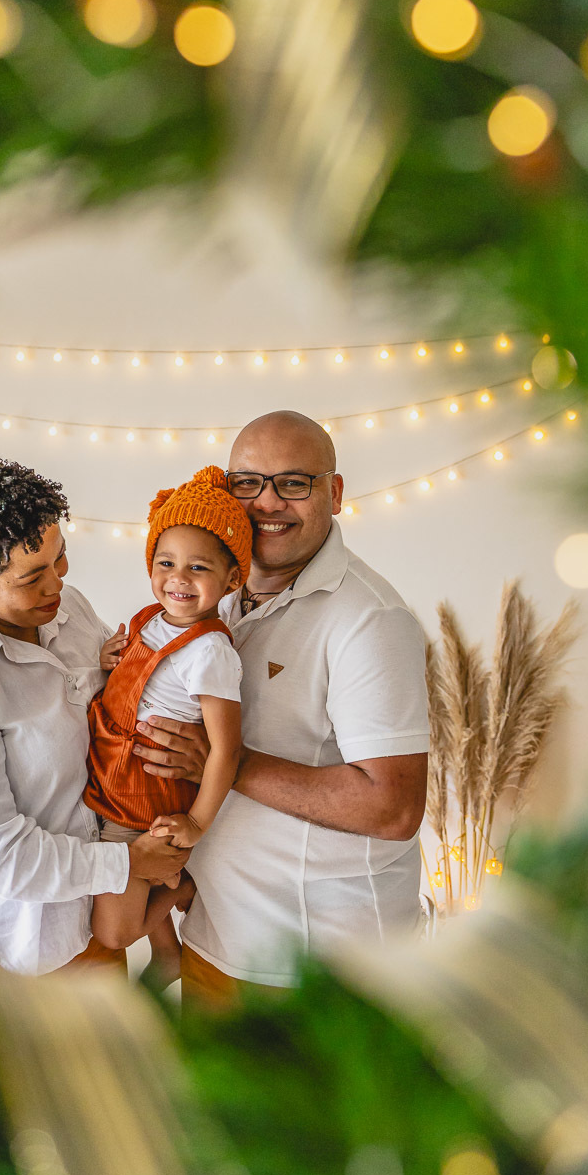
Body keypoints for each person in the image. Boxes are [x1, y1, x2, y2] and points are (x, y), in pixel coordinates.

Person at [136, 412, 430, 1005]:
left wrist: (225, 762)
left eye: (294, 483)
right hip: (215, 938)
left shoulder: (369, 620)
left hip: (320, 968)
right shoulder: (214, 592)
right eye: (247, 483)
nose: (267, 502)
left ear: (334, 493)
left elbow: (393, 807)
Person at [0, 452, 187, 976]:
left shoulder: (68, 608)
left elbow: (123, 705)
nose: (56, 583)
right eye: (32, 577)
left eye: (61, 557)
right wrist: (128, 862)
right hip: (16, 948)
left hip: (95, 918)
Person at [84, 466, 252, 987]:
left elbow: (225, 749)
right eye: (166, 563)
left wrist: (196, 824)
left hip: (146, 799)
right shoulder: (148, 620)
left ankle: (182, 886)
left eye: (198, 567)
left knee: (112, 932)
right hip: (109, 779)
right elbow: (138, 680)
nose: (178, 578)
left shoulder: (211, 652)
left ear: (232, 579)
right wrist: (112, 659)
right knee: (128, 886)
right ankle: (167, 951)